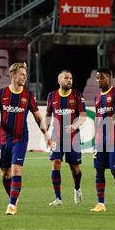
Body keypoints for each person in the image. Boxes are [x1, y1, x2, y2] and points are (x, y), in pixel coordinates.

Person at [0, 62, 52, 215]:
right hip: (4, 138)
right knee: (5, 173)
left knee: (16, 169)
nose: (25, 77)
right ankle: (13, 198)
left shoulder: (28, 96)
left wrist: (46, 134)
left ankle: (11, 204)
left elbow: (38, 117)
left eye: (25, 75)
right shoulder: (2, 93)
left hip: (21, 138)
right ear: (13, 75)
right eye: (22, 74)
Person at [46, 70, 87, 206]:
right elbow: (47, 116)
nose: (69, 80)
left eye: (70, 78)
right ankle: (58, 198)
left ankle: (77, 188)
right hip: (56, 137)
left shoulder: (77, 95)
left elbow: (82, 115)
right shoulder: (52, 96)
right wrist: (46, 134)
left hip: (73, 138)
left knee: (75, 168)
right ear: (59, 81)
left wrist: (75, 126)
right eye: (66, 78)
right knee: (55, 162)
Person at [90, 68, 115, 212]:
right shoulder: (97, 97)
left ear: (109, 78)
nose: (99, 80)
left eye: (101, 77)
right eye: (97, 78)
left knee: (114, 170)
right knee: (99, 170)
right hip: (100, 139)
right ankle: (100, 203)